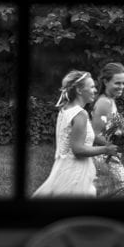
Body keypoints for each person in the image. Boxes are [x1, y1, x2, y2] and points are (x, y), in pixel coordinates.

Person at [33, 70, 118, 198]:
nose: (95, 90)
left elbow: (87, 136)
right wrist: (105, 149)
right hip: (76, 173)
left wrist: (109, 142)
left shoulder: (66, 109)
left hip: (63, 168)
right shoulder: (80, 114)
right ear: (79, 90)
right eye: (92, 87)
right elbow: (78, 149)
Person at [90, 62, 124, 198]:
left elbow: (111, 128)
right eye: (117, 83)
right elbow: (94, 135)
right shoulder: (104, 102)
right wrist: (116, 146)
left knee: (104, 195)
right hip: (102, 157)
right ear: (106, 81)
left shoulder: (110, 100)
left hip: (109, 155)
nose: (122, 87)